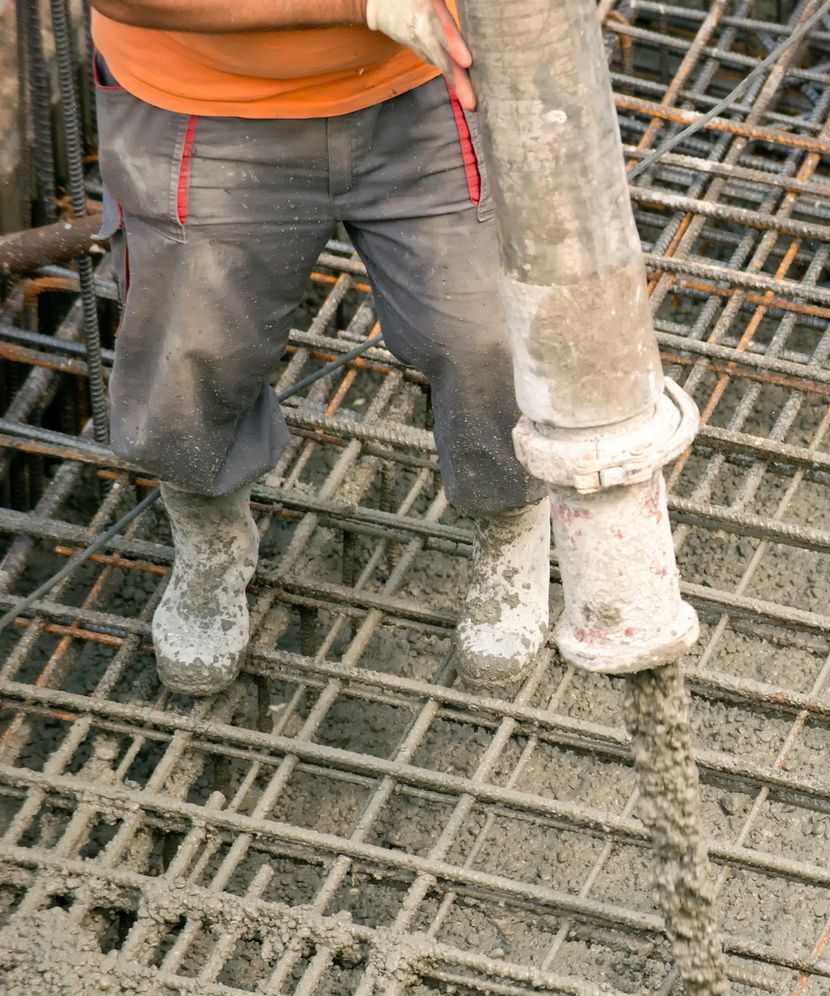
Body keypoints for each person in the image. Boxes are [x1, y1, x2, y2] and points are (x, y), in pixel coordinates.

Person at [89, 0, 549, 693]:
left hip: (423, 73)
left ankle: (512, 513)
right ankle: (209, 528)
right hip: (200, 90)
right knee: (186, 348)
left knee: (486, 330)